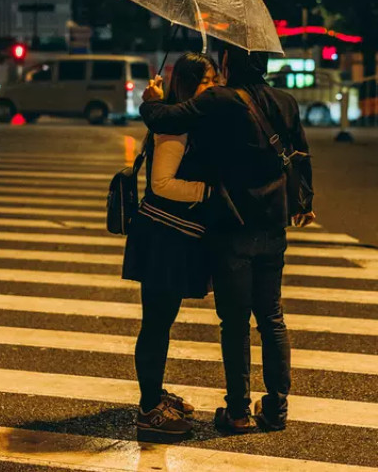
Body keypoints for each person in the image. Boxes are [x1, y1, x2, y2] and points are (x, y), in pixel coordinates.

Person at [140, 43, 315, 434]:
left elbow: (165, 117)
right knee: (271, 317)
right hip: (273, 224)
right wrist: (305, 199)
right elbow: (301, 153)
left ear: (228, 63)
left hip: (231, 224)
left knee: (234, 321)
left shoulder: (219, 99)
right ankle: (276, 409)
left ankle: (237, 411)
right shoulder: (285, 101)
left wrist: (150, 99)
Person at [123, 52, 220, 441]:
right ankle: (149, 410)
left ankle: (155, 394)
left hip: (173, 236)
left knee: (163, 321)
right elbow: (162, 183)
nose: (213, 88)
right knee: (156, 324)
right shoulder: (175, 126)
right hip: (163, 236)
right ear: (188, 82)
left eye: (215, 79)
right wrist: (208, 191)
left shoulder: (181, 117)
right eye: (207, 80)